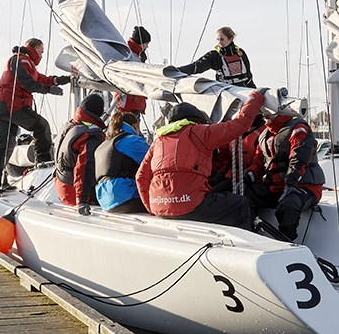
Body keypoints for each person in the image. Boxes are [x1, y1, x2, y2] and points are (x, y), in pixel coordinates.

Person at [135, 91, 266, 230]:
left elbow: (140, 176)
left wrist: (152, 207)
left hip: (158, 206)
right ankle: (242, 248)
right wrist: (255, 97)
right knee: (240, 204)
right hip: (189, 204)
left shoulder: (159, 141)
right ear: (196, 120)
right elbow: (240, 124)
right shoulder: (199, 133)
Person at [0, 38, 71, 189]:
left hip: (4, 106)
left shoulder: (23, 62)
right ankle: (43, 163)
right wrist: (49, 90)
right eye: (41, 52)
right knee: (41, 126)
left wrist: (64, 80)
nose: (41, 56)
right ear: (34, 48)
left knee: (6, 144)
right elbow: (28, 83)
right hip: (12, 106)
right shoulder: (22, 61)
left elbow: (43, 79)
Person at [247, 107, 326, 242]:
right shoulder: (264, 136)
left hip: (304, 186)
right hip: (276, 188)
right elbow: (258, 164)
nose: (265, 116)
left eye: (268, 113)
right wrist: (249, 176)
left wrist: (290, 183)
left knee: (289, 205)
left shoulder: (298, 129)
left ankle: (287, 242)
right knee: (243, 198)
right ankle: (251, 236)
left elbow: (299, 158)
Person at [54, 94, 107, 206]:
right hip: (75, 193)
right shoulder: (91, 134)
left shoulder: (68, 126)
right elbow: (85, 167)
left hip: (61, 187)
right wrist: (82, 201)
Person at [95, 110, 150, 214]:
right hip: (125, 198)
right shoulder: (133, 140)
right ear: (135, 125)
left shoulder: (103, 145)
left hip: (105, 201)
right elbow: (155, 162)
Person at [176, 26, 254, 87]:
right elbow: (196, 66)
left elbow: (248, 74)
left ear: (231, 38)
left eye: (222, 39)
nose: (219, 42)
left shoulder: (240, 53)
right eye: (217, 40)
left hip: (244, 89)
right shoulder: (215, 56)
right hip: (227, 92)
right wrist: (176, 71)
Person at [113, 25, 151, 115]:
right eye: (146, 43)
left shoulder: (133, 54)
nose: (147, 46)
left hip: (132, 105)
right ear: (140, 42)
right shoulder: (129, 55)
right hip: (127, 106)